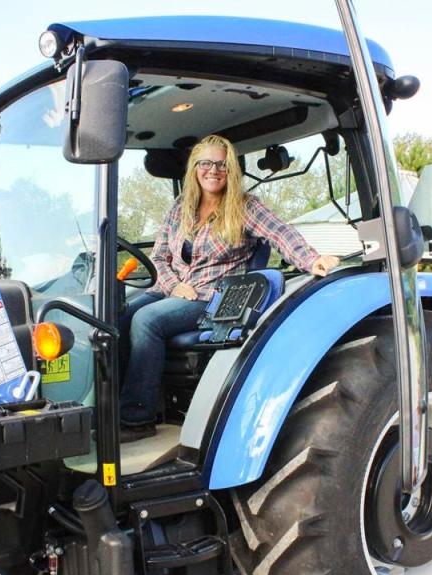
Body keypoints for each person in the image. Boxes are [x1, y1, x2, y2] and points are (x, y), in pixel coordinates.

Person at [119, 134, 340, 442]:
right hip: (174, 287)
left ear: (231, 170)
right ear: (195, 168)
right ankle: (111, 408)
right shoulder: (181, 206)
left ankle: (137, 417)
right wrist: (174, 285)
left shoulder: (245, 207)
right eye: (206, 163)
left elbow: (281, 233)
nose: (214, 170)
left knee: (148, 320)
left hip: (212, 297)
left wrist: (312, 259)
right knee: (116, 318)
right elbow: (159, 256)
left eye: (222, 164)